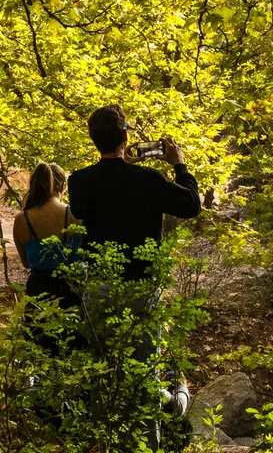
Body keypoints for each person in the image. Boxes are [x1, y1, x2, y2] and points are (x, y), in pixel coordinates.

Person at [68, 105, 201, 281]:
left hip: (100, 280)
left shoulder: (78, 180)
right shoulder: (148, 179)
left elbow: (79, 210)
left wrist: (123, 165)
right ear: (124, 135)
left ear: (93, 138)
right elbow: (191, 206)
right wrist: (180, 165)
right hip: (141, 283)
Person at [11, 162, 82, 307]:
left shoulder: (22, 219)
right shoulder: (74, 215)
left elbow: (26, 263)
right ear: (62, 186)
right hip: (72, 287)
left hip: (38, 291)